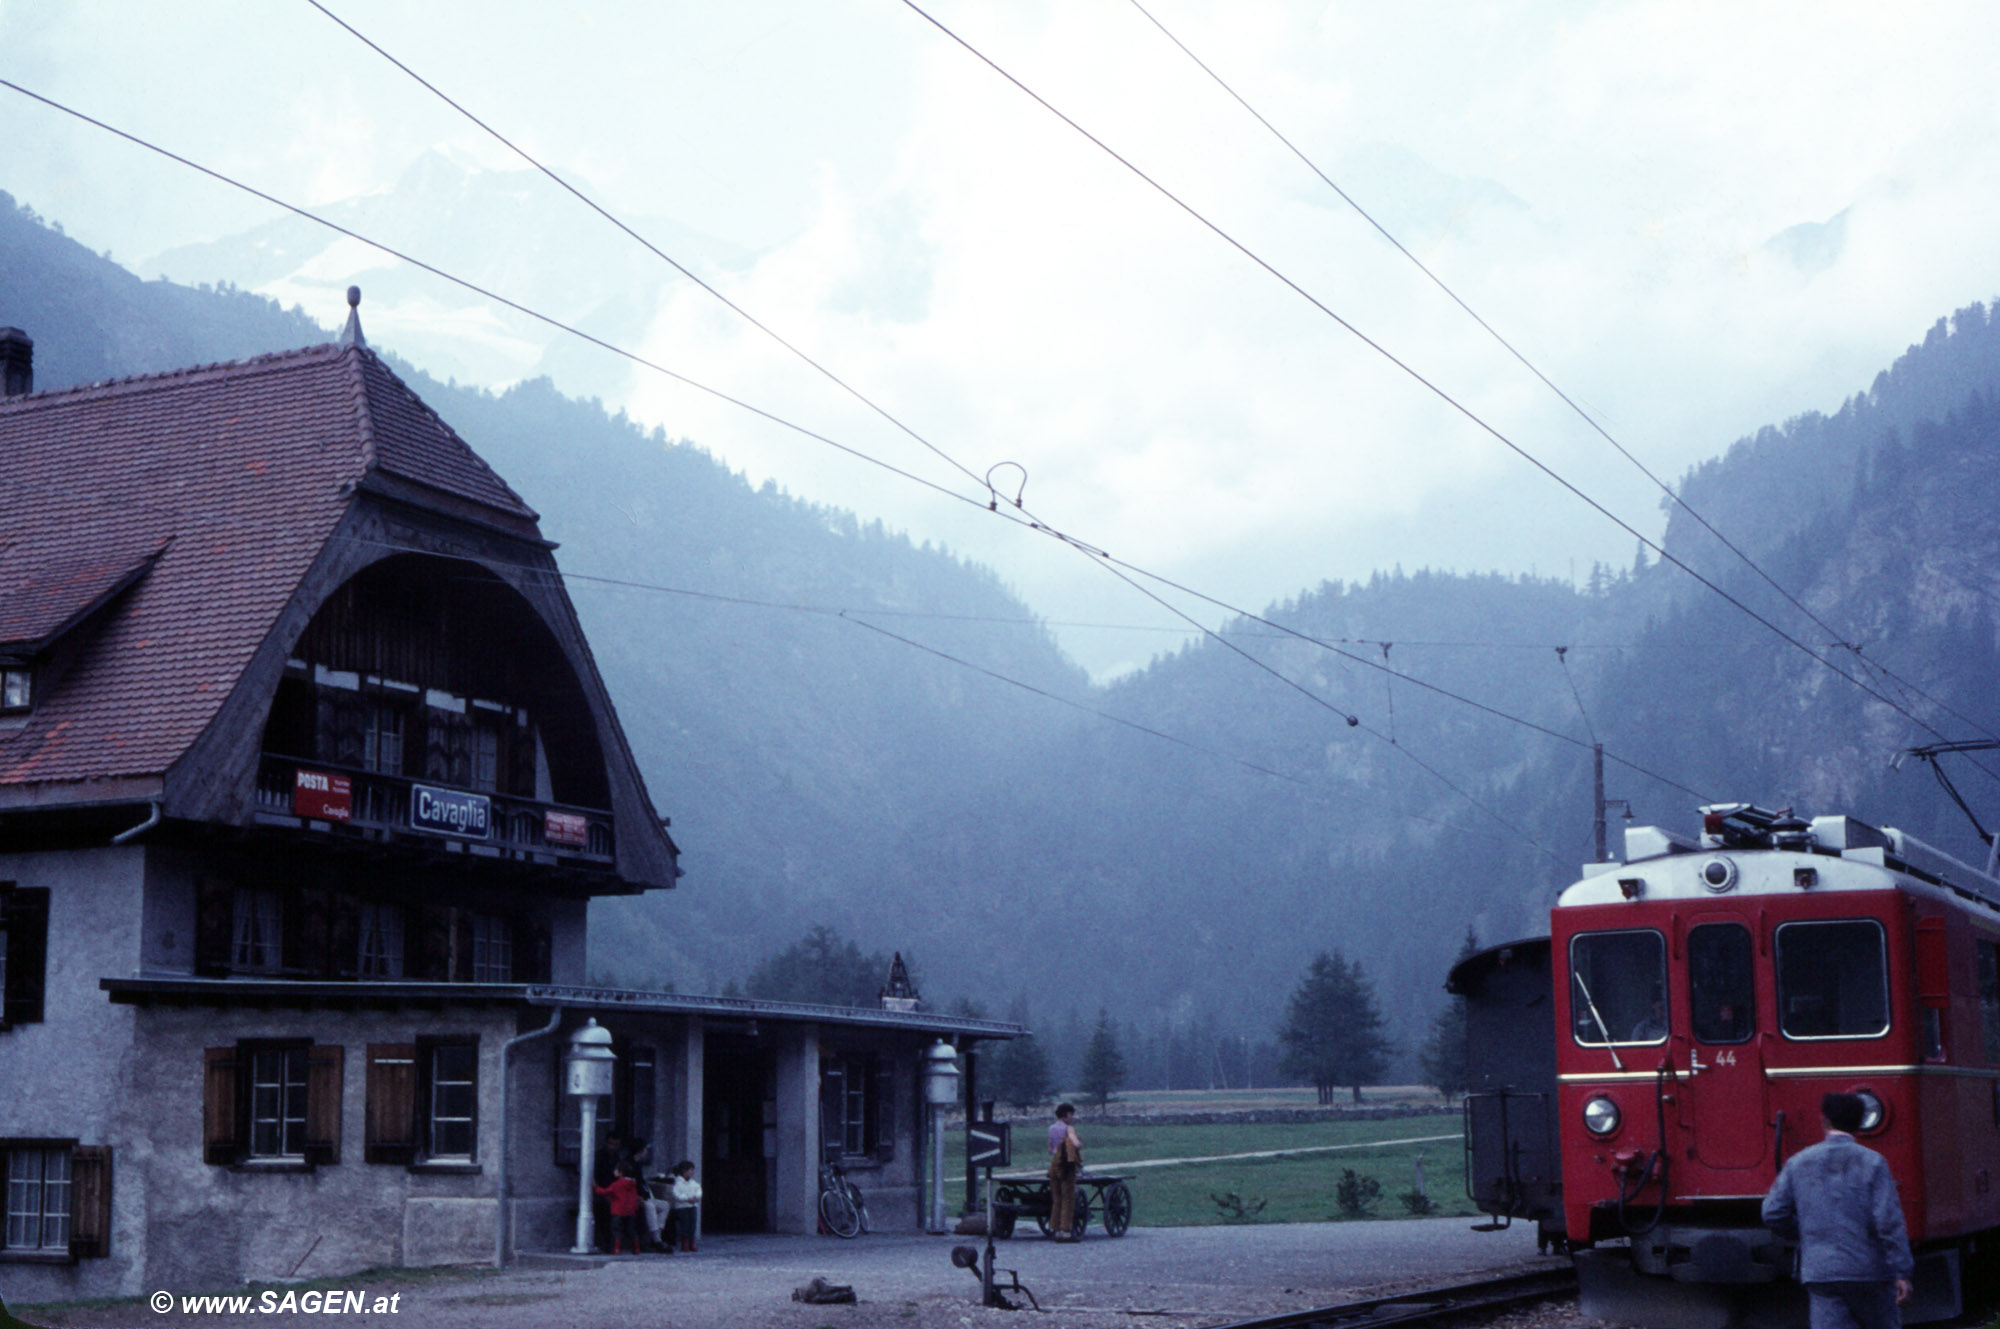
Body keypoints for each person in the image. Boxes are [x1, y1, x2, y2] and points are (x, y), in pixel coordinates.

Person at [1762, 1091, 1914, 1329]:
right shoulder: (1873, 1162)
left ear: (1824, 1121)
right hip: (1869, 1271)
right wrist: (1901, 1270)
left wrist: (1806, 1231)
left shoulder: (1798, 1162)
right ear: (1859, 1123)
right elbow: (1888, 1221)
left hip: (1821, 1271)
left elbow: (1772, 1212)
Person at [1046, 1103, 1082, 1241]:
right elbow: (1075, 1143)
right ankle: (1066, 1231)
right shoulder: (1069, 1128)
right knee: (1068, 1198)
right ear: (1065, 1115)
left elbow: (1050, 1148)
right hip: (1066, 1165)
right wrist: (1078, 1145)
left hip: (1054, 1164)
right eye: (1071, 1114)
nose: (1072, 1117)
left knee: (1057, 1199)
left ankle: (1055, 1229)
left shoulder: (1051, 1128)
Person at [594, 1163, 644, 1256]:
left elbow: (605, 1192)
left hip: (618, 1210)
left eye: (616, 1170)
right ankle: (636, 1248)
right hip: (631, 1211)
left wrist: (595, 1187)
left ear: (620, 1173)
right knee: (632, 1230)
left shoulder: (617, 1184)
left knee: (616, 1230)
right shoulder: (633, 1184)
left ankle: (617, 1249)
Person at [668, 1159, 703, 1253]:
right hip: (682, 1207)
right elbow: (676, 1194)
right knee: (685, 1225)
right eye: (690, 1170)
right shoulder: (678, 1183)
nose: (692, 1172)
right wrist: (687, 1198)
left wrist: (696, 1197)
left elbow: (699, 1191)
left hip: (693, 1206)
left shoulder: (694, 1183)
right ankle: (685, 1243)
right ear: (684, 1171)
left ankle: (692, 1243)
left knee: (692, 1225)